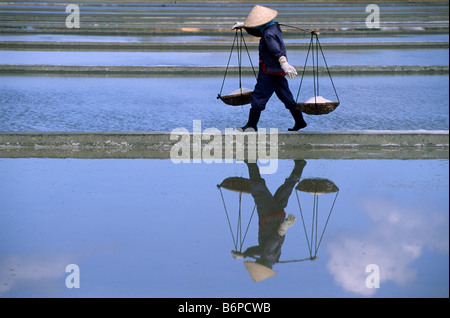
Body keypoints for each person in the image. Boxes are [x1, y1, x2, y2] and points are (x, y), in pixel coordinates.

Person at [232, 5, 307, 132]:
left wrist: (284, 63)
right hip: (277, 71)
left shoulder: (268, 34)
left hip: (269, 71)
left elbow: (275, 50)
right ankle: (300, 121)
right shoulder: (274, 26)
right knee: (286, 96)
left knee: (259, 96)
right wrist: (244, 25)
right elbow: (257, 31)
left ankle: (251, 125)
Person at [232, 159, 307, 282]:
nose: (256, 261)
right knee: (258, 190)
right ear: (261, 264)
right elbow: (275, 239)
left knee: (286, 189)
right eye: (257, 263)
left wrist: (244, 254)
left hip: (277, 216)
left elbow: (257, 250)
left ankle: (300, 165)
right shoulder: (267, 254)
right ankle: (251, 162)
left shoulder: (272, 257)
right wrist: (283, 228)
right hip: (269, 216)